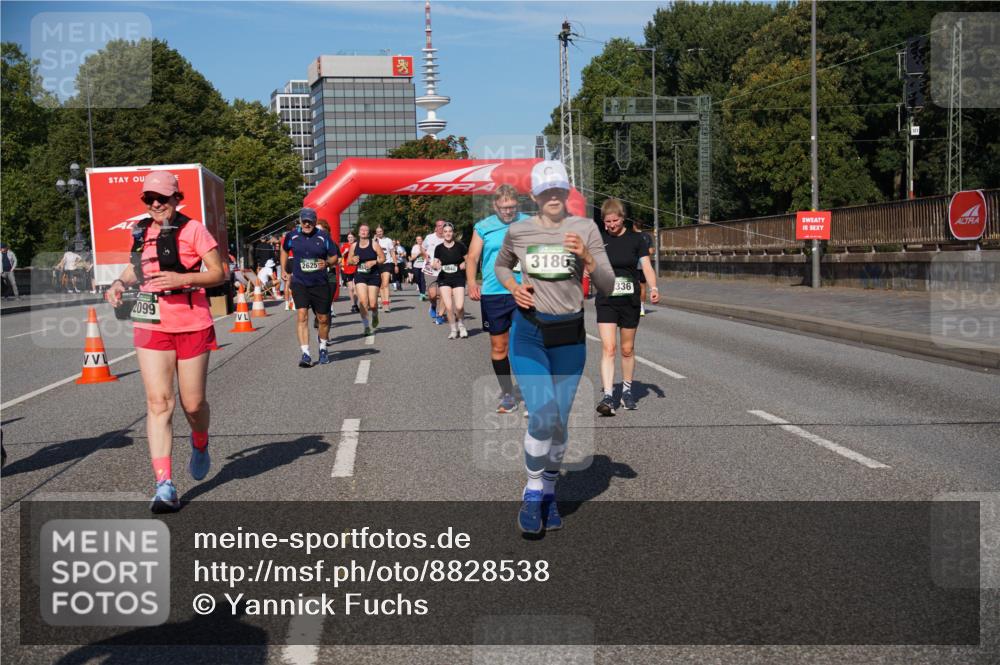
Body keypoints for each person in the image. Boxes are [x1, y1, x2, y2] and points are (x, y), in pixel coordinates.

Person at [494, 160, 614, 534]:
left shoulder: (586, 228)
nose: (553, 197)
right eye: (546, 192)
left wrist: (589, 259)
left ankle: (548, 489)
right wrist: (515, 288)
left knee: (559, 423)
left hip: (569, 336)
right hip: (529, 334)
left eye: (559, 190)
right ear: (534, 195)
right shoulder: (519, 230)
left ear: (567, 192)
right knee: (543, 414)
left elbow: (609, 286)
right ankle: (531, 493)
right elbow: (501, 266)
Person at [104, 171, 226, 512]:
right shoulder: (141, 231)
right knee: (159, 403)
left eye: (162, 198)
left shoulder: (193, 229)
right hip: (151, 322)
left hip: (191, 321)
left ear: (176, 198)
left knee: (192, 405)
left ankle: (200, 442)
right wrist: (118, 283)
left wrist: (183, 277)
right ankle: (164, 485)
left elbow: (219, 272)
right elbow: (136, 269)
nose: (155, 204)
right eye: (149, 199)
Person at [467, 184, 530, 412]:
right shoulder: (484, 227)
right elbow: (473, 257)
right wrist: (473, 282)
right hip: (494, 292)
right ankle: (508, 394)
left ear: (517, 205)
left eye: (512, 207)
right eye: (503, 208)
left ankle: (531, 393)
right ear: (495, 205)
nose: (507, 212)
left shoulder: (529, 223)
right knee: (499, 346)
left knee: (525, 343)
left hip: (523, 291)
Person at [595, 199, 660, 415]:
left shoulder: (636, 239)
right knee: (609, 348)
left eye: (614, 221)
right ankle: (607, 396)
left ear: (623, 219)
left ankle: (627, 391)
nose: (611, 225)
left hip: (629, 300)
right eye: (607, 222)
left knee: (627, 349)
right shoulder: (599, 239)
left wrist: (653, 287)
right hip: (606, 300)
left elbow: (647, 266)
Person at [281, 208, 339, 367]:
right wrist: (283, 269)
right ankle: (305, 353)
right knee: (302, 316)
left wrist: (327, 263)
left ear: (314, 222)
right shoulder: (292, 236)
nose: (307, 224)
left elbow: (335, 256)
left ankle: (322, 348)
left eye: (310, 221)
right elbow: (284, 250)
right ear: (300, 221)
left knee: (323, 318)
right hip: (300, 282)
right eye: (304, 221)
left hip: (320, 283)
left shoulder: (323, 237)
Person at [346, 224, 386, 336]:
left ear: (368, 233)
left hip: (374, 275)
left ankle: (375, 314)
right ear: (358, 233)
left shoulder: (374, 244)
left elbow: (383, 258)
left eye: (366, 230)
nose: (363, 232)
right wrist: (353, 260)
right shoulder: (354, 246)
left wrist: (374, 262)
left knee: (372, 304)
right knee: (363, 302)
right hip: (360, 275)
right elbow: (348, 261)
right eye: (362, 230)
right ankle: (366, 326)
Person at [432, 223, 469, 339]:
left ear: (453, 233)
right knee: (448, 306)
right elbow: (435, 263)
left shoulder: (460, 246)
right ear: (442, 234)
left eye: (450, 231)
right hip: (444, 279)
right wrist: (435, 266)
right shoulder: (438, 248)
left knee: (459, 306)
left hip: (458, 277)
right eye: (445, 231)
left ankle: (461, 326)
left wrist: (465, 263)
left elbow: (469, 259)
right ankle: (453, 330)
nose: (448, 233)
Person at [422, 220, 447, 324]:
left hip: (444, 270)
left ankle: (440, 315)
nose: (441, 228)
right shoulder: (429, 237)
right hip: (430, 269)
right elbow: (423, 248)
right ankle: (433, 306)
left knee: (444, 294)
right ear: (436, 227)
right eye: (439, 226)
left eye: (443, 226)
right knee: (432, 295)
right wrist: (426, 256)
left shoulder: (448, 238)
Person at [633, 222, 654, 316]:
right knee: (643, 287)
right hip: (644, 266)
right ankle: (642, 308)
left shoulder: (631, 236)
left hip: (632, 265)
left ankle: (634, 306)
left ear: (634, 226)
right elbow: (651, 250)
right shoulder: (647, 236)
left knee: (633, 287)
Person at [374, 226, 395, 312]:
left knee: (385, 283)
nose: (379, 233)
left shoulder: (388, 240)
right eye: (377, 232)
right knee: (381, 285)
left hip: (387, 263)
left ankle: (386, 305)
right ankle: (383, 302)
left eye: (380, 231)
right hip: (377, 264)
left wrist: (395, 264)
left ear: (383, 231)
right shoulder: (373, 241)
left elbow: (392, 252)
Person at [340, 231, 359, 313]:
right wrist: (345, 252)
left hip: (356, 268)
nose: (350, 239)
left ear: (354, 238)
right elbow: (339, 257)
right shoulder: (344, 246)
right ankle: (353, 304)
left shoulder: (357, 245)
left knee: (356, 288)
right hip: (347, 269)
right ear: (347, 238)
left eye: (351, 237)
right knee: (351, 288)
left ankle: (355, 304)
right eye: (349, 237)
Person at [410, 235, 427, 300]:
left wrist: (423, 253)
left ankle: (423, 294)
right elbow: (412, 257)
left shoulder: (425, 247)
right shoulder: (414, 247)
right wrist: (419, 253)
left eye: (420, 239)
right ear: (416, 240)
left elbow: (427, 256)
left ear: (422, 240)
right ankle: (421, 292)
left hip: (423, 266)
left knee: (423, 280)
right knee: (418, 280)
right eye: (418, 239)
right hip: (416, 266)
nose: (419, 240)